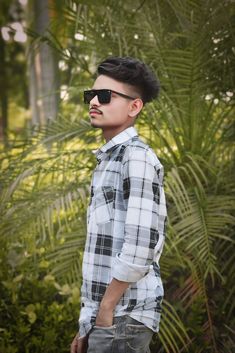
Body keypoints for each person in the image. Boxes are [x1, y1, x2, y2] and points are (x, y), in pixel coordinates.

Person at [71, 56, 167, 353]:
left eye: (105, 96)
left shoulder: (135, 157)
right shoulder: (109, 159)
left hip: (123, 317)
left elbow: (139, 248)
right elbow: (102, 253)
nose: (94, 102)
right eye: (91, 95)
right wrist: (89, 323)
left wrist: (106, 312)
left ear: (134, 106)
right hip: (109, 319)